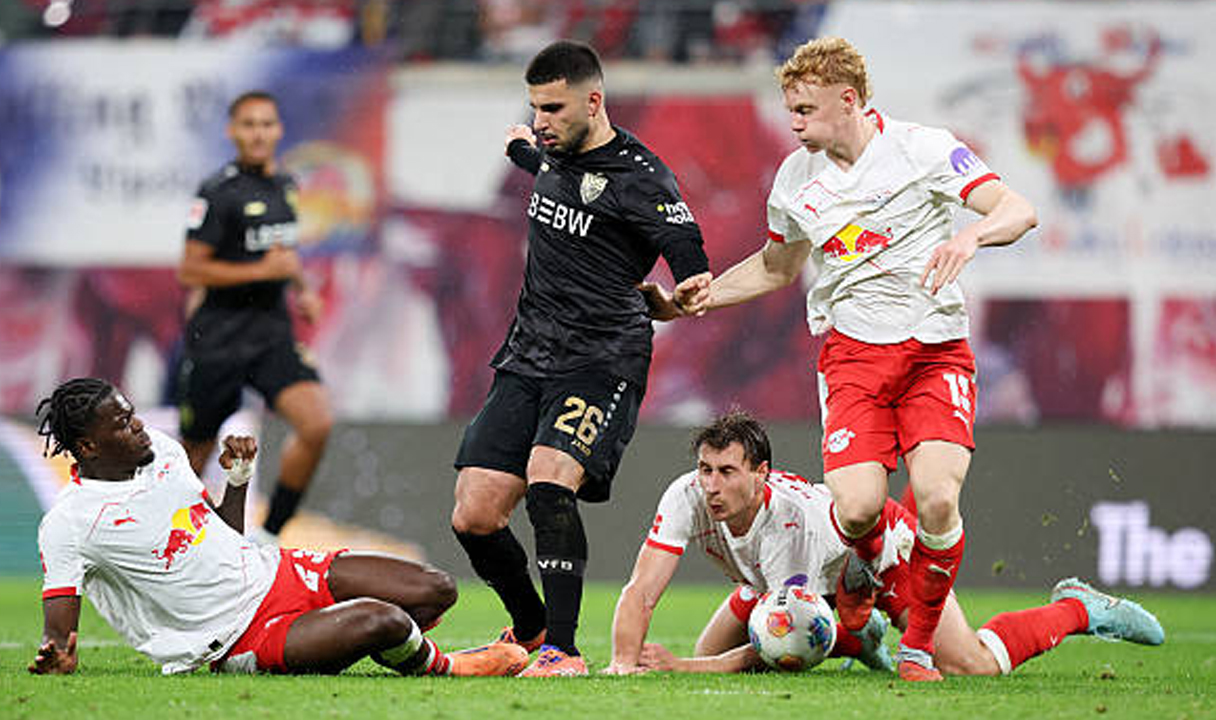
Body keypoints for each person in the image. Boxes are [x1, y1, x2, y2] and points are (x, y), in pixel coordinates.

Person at [686, 37, 1040, 681]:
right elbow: (776, 266)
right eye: (789, 108)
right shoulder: (796, 178)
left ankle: (916, 648)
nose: (793, 122)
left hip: (935, 353)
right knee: (855, 508)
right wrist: (701, 298)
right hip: (852, 357)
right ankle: (859, 572)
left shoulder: (923, 149)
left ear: (848, 101)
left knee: (935, 500)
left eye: (806, 109)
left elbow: (1018, 210)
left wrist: (971, 233)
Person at [450, 39, 712, 677]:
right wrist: (520, 141)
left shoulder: (643, 177)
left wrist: (685, 291)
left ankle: (562, 651)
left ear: (594, 101)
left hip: (601, 360)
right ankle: (533, 629)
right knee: (474, 514)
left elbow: (690, 257)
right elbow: (533, 160)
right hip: (527, 355)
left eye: (553, 109)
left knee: (548, 482)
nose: (541, 122)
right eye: (535, 108)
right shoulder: (547, 150)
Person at [29, 378, 527, 677]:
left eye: (132, 415)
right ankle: (450, 665)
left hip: (277, 571)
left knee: (434, 588)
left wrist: (239, 479)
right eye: (120, 424)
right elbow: (60, 634)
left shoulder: (162, 451)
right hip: (237, 635)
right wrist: (59, 656)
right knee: (386, 620)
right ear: (89, 447)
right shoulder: (71, 521)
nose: (137, 426)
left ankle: (358, 640)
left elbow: (224, 532)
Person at [607, 411, 1164, 677]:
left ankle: (1078, 608)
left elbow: (772, 650)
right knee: (713, 661)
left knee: (972, 666)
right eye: (705, 469)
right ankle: (860, 636)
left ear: (761, 474)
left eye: (726, 471)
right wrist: (621, 665)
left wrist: (677, 665)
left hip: (881, 558)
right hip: (801, 584)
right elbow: (642, 588)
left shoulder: (789, 524)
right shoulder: (687, 496)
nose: (711, 484)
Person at [176, 90, 333, 545]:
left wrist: (303, 291)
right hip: (219, 336)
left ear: (279, 130)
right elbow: (190, 269)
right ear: (233, 131)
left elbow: (283, 253)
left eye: (267, 124)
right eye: (249, 124)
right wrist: (262, 270)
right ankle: (178, 547)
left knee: (316, 423)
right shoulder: (216, 192)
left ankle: (268, 535)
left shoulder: (286, 185)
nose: (258, 133)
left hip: (271, 334)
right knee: (194, 456)